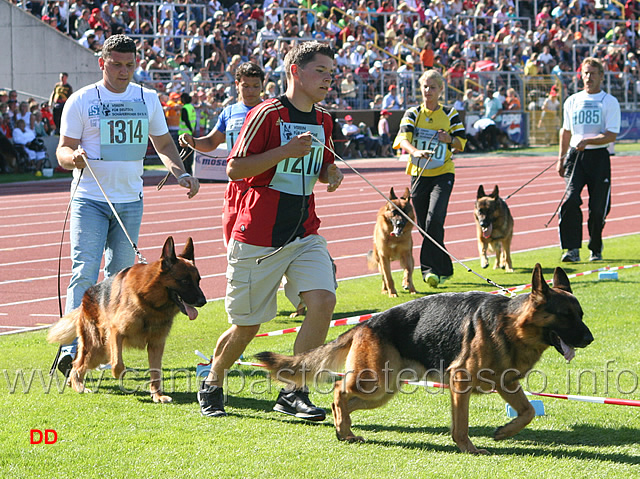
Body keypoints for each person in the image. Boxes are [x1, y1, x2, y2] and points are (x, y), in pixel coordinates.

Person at [197, 41, 344, 420]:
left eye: (332, 72)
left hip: (304, 231)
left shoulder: (325, 120)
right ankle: (213, 379)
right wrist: (283, 152)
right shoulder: (267, 114)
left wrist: (331, 173)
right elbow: (234, 168)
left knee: (323, 301)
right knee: (246, 327)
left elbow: (322, 164)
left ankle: (293, 391)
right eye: (321, 71)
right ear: (296, 71)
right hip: (258, 236)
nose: (329, 78)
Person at [53, 34, 200, 375]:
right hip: (90, 198)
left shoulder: (146, 98)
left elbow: (162, 141)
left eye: (129, 65)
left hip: (130, 200)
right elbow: (62, 150)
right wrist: (72, 157)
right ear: (102, 63)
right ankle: (73, 347)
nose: (123, 71)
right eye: (116, 64)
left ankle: (103, 349)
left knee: (118, 276)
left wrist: (180, 173)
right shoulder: (81, 100)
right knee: (84, 271)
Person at [392, 69, 467, 288]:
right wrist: (414, 151)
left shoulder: (450, 114)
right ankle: (445, 268)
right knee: (426, 226)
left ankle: (428, 270)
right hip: (418, 173)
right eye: (425, 87)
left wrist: (449, 138)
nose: (428, 91)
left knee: (435, 219)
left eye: (432, 87)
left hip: (443, 172)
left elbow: (462, 142)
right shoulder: (413, 113)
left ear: (441, 90)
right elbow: (402, 139)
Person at [179, 62, 265, 246]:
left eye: (256, 86)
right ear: (236, 85)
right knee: (231, 239)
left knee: (257, 242)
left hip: (262, 186)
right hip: (235, 185)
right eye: (246, 86)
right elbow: (211, 142)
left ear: (262, 86)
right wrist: (192, 141)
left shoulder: (270, 111)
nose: (251, 91)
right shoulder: (229, 112)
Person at [557, 57, 621, 263]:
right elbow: (565, 131)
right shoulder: (572, 101)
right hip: (576, 157)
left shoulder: (609, 102)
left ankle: (595, 246)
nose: (588, 77)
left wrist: (589, 140)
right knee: (570, 200)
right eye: (585, 73)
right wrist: (561, 158)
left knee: (598, 207)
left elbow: (611, 135)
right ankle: (571, 249)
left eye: (593, 73)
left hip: (599, 158)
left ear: (601, 76)